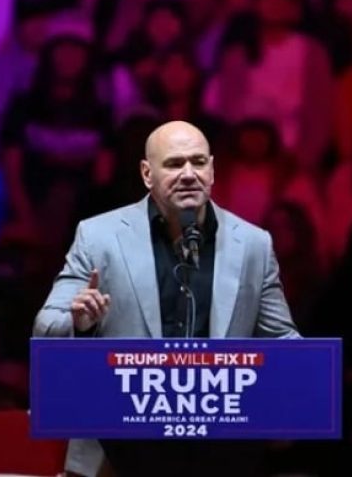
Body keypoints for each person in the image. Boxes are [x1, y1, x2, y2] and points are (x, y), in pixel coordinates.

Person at [33, 120, 301, 477]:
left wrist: (303, 380)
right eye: (175, 164)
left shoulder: (253, 243)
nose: (189, 173)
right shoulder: (99, 236)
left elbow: (283, 340)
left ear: (213, 169)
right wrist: (79, 322)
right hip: (117, 453)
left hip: (221, 454)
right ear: (147, 173)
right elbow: (46, 326)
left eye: (198, 162)